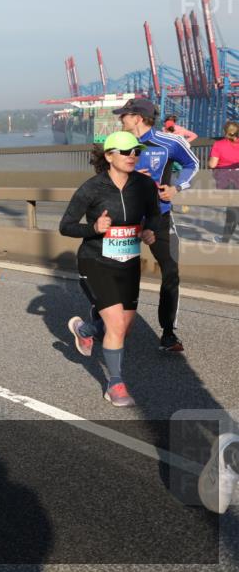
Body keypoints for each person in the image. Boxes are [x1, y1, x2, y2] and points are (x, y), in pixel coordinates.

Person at [61, 132, 160, 407]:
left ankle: (87, 329)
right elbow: (66, 226)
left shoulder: (144, 185)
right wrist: (93, 229)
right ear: (109, 156)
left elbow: (154, 214)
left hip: (128, 264)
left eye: (136, 152)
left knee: (124, 329)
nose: (132, 156)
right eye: (125, 152)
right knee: (116, 325)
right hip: (95, 262)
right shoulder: (92, 188)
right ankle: (115, 383)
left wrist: (150, 230)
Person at [114, 97, 199, 352]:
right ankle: (103, 321)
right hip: (126, 217)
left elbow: (191, 164)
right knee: (119, 274)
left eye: (125, 115)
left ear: (138, 117)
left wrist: (176, 188)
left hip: (158, 217)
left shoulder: (168, 142)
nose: (121, 119)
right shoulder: (119, 143)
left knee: (171, 271)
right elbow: (102, 173)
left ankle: (168, 333)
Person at [210, 120, 239, 243]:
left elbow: (212, 164)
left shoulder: (219, 144)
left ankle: (225, 240)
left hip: (226, 178)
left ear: (224, 132)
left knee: (232, 209)